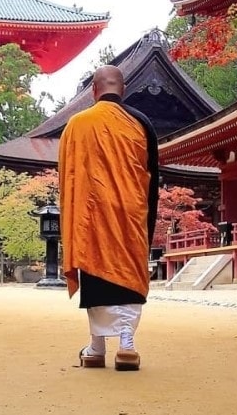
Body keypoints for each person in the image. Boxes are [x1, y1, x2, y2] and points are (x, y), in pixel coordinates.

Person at [58, 65, 159, 372]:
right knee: (127, 274)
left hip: (90, 218)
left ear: (94, 90)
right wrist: (147, 221)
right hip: (129, 216)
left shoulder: (76, 124)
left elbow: (68, 178)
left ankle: (96, 347)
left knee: (95, 274)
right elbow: (152, 180)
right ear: (123, 89)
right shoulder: (141, 123)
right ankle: (125, 344)